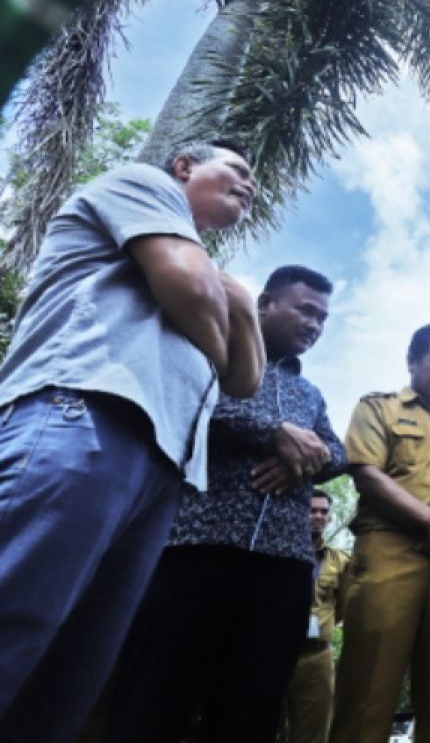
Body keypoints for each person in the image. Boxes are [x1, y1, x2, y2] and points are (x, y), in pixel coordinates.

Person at [0, 140, 264, 742]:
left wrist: (243, 304)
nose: (250, 186)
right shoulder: (143, 184)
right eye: (237, 170)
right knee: (13, 616)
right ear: (184, 167)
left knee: (66, 678)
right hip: (82, 415)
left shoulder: (216, 275)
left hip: (159, 472)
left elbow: (245, 384)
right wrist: (226, 317)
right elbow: (190, 291)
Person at [103, 264, 344, 743]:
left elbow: (336, 452)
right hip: (197, 549)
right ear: (265, 305)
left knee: (251, 709)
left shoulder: (309, 392)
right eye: (305, 310)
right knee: (155, 697)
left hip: (283, 567)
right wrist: (274, 434)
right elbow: (194, 407)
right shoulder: (209, 353)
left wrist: (300, 460)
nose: (314, 325)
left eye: (322, 318)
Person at [330, 322, 430, 743]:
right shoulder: (377, 408)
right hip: (389, 549)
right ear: (413, 360)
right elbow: (365, 473)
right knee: (368, 687)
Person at [279, 489, 352, 743]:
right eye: (312, 510)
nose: (318, 516)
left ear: (330, 519)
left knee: (313, 734)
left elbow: (342, 607)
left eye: (323, 512)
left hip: (315, 658)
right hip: (272, 653)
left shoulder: (340, 561)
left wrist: (320, 624)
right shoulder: (278, 550)